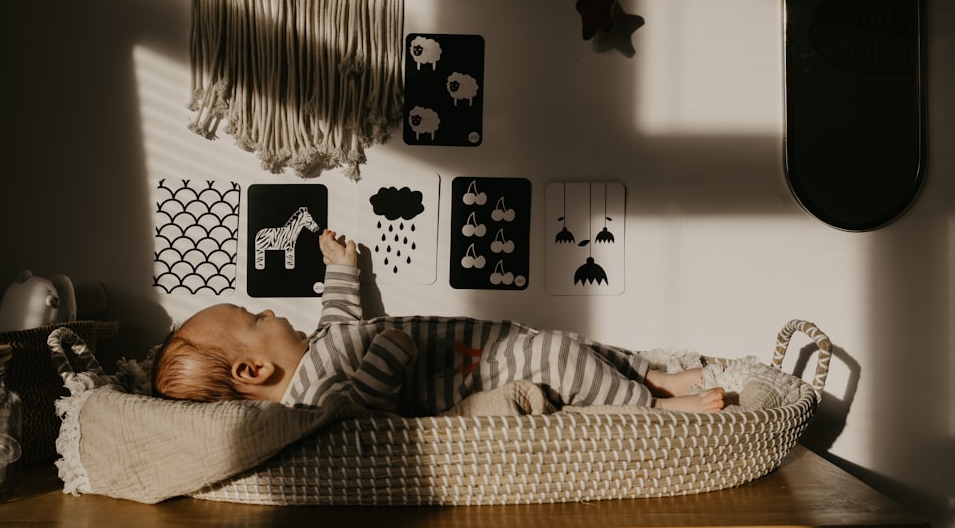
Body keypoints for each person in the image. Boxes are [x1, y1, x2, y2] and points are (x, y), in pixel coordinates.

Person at [153, 229, 725, 414]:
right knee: (560, 357)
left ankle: (647, 374)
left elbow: (338, 315)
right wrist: (390, 352)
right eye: (257, 317)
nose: (272, 309)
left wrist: (342, 270)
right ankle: (653, 408)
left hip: (487, 343)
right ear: (252, 369)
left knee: (571, 345)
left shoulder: (317, 346)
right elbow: (365, 413)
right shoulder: (317, 398)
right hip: (481, 372)